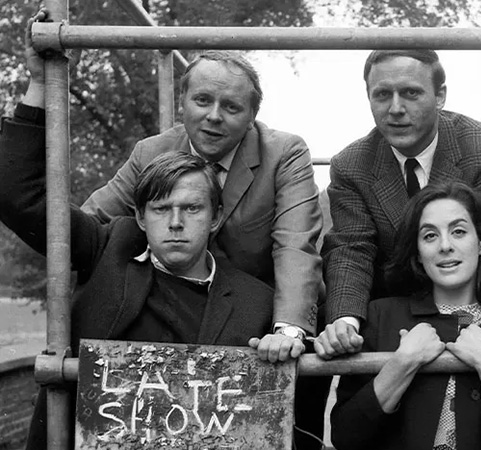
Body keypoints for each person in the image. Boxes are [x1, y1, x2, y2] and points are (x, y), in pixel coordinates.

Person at [19, 12, 328, 448]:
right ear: (183, 102)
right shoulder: (153, 150)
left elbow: (295, 243)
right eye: (202, 101)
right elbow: (93, 222)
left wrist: (287, 330)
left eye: (232, 107)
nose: (214, 117)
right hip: (172, 301)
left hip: (255, 316)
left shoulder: (284, 153)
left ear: (253, 115)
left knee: (302, 354)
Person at [1, 75, 274, 447]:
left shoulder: (255, 302)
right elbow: (18, 193)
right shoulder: (108, 248)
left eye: (192, 208)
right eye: (162, 209)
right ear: (141, 218)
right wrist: (39, 81)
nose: (176, 223)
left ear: (215, 217)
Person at [317, 49, 481, 360]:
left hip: (474, 309)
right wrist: (345, 323)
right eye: (382, 94)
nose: (395, 109)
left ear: (440, 96)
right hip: (393, 311)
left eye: (410, 93)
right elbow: (351, 249)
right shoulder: (352, 165)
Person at [329, 182, 481, 450]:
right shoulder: (380, 317)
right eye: (430, 236)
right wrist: (401, 364)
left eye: (458, 231)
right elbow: (345, 436)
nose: (445, 246)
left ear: (480, 243)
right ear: (418, 253)